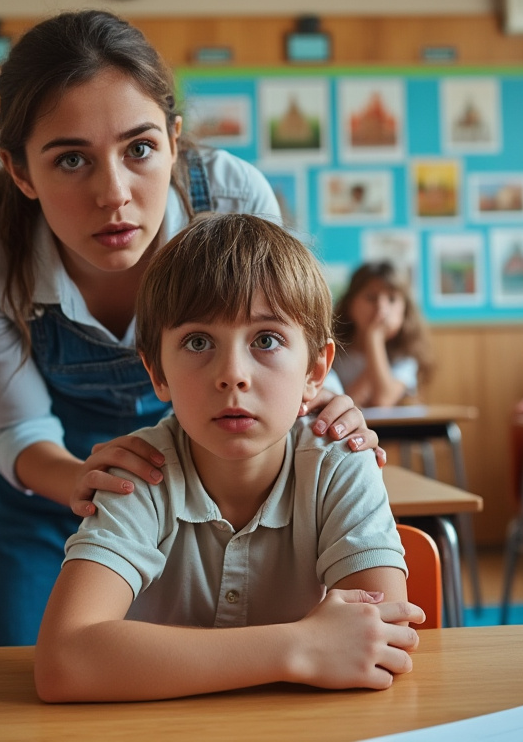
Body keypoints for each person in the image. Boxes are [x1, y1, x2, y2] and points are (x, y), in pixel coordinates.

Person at [0, 10, 384, 647]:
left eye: (139, 149)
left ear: (173, 139)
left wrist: (326, 403)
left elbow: (279, 337)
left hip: (198, 481)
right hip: (43, 492)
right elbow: (17, 427)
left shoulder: (231, 199)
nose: (113, 193)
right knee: (22, 678)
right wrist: (91, 483)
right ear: (20, 170)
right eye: (71, 160)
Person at [35, 213, 422, 702]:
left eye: (266, 340)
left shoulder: (340, 461)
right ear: (158, 374)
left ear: (315, 370)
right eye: (198, 342)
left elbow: (380, 642)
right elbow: (64, 662)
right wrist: (298, 647)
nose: (232, 374)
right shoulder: (138, 472)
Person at [329, 261, 432, 408]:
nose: (381, 308)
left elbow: (383, 399)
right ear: (350, 304)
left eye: (392, 299)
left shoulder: (405, 355)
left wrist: (374, 339)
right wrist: (375, 339)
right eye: (371, 297)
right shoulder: (334, 353)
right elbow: (343, 405)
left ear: (405, 310)